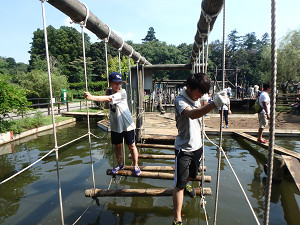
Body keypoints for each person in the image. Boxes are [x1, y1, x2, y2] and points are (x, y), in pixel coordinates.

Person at [172, 73, 227, 225]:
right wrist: (214, 104)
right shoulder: (180, 100)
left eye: (203, 94)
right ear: (188, 87)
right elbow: (192, 114)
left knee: (193, 174)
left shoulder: (198, 96)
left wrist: (218, 96)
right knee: (179, 185)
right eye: (198, 93)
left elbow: (204, 99)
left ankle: (188, 183)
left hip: (198, 146)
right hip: (183, 149)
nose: (200, 96)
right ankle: (177, 219)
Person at [84, 72, 141, 176]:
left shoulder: (122, 93)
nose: (118, 86)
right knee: (118, 146)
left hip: (127, 125)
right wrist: (107, 92)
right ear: (110, 83)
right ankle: (120, 164)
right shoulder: (111, 92)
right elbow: (106, 106)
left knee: (131, 146)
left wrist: (92, 97)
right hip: (115, 125)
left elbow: (109, 99)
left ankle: (136, 165)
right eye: (115, 83)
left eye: (119, 83)